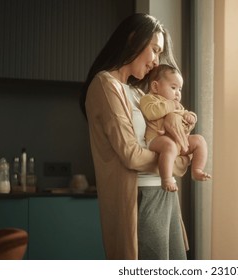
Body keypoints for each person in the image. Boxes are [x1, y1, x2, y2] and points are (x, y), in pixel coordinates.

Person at [79, 13, 192, 260]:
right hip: (142, 199)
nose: (156, 61)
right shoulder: (105, 84)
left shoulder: (137, 93)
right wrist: (171, 158)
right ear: (133, 39)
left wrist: (177, 154)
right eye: (154, 49)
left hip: (165, 195)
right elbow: (131, 154)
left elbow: (181, 156)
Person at [140, 64, 211, 192]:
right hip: (157, 139)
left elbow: (185, 113)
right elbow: (151, 112)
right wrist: (171, 105)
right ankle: (166, 179)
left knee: (199, 140)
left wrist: (191, 117)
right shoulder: (149, 99)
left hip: (179, 141)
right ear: (155, 86)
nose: (178, 93)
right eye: (173, 87)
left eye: (180, 89)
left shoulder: (177, 105)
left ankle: (196, 170)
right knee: (169, 146)